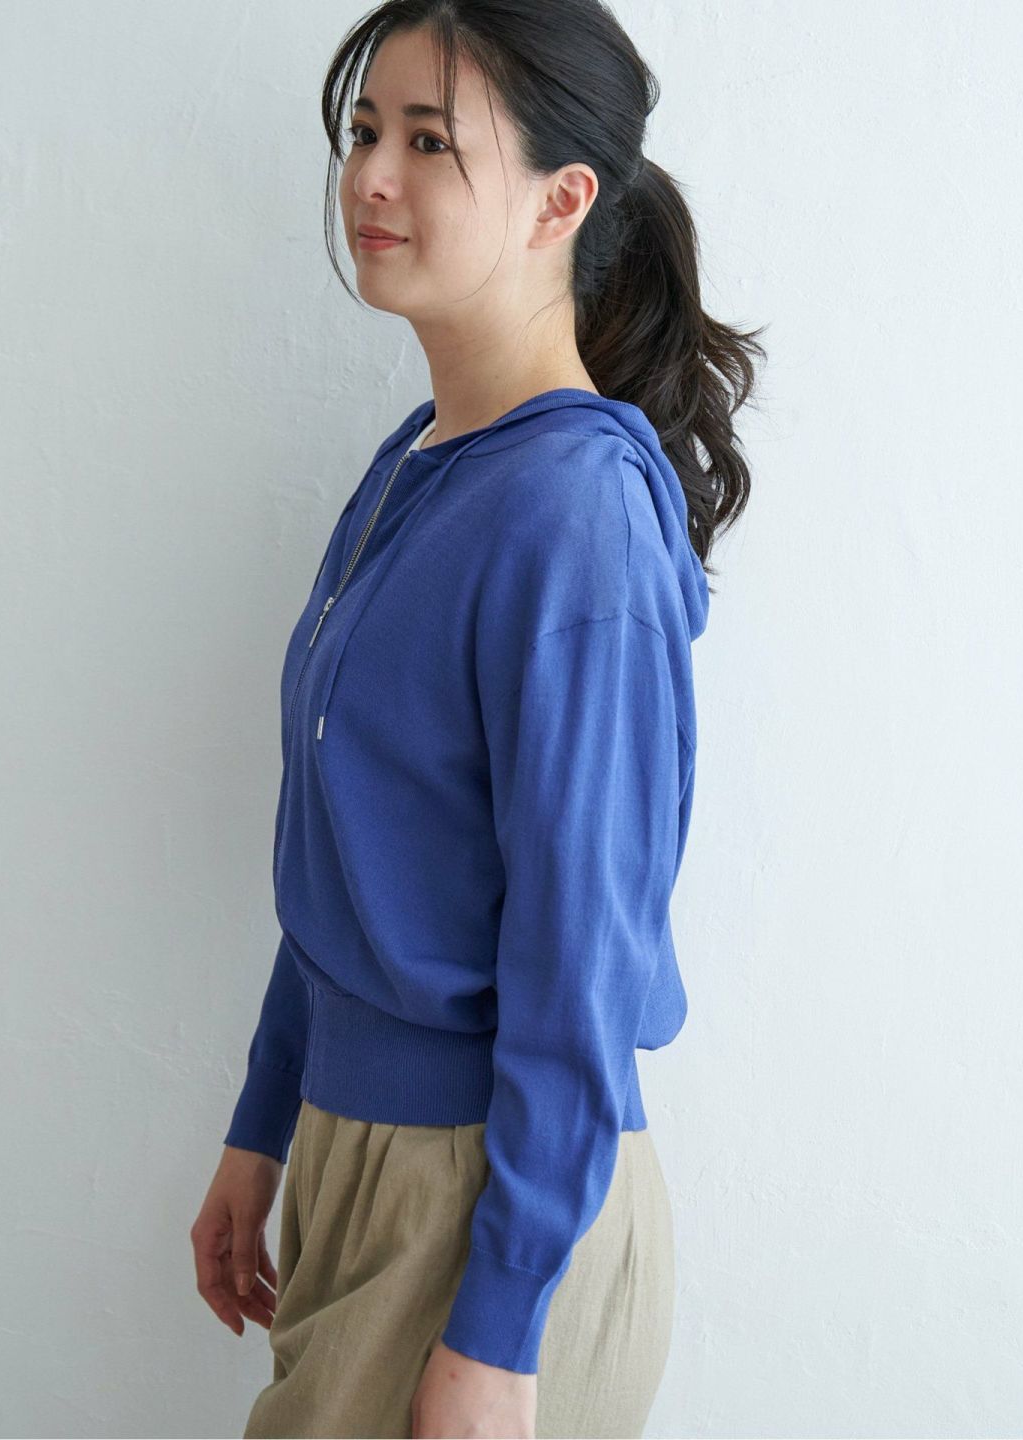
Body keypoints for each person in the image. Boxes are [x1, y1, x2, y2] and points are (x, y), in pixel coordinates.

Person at [190, 4, 764, 1436]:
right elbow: (354, 852)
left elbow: (579, 956)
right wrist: (267, 1118)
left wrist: (501, 1329)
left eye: (431, 141)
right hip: (369, 1162)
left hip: (490, 1205)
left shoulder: (573, 517)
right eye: (363, 131)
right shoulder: (420, 463)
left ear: (563, 202)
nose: (371, 177)